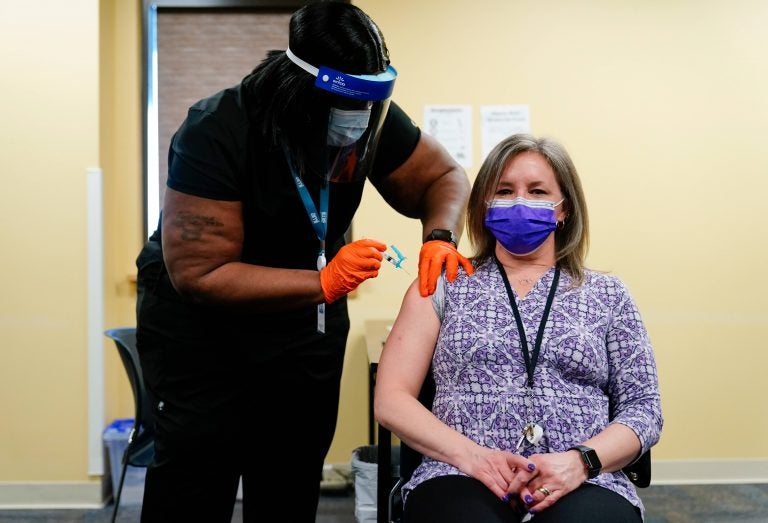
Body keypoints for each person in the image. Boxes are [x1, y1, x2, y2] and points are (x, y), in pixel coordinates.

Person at [133, 2, 474, 522]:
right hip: (202, 333)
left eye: (370, 102)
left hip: (304, 326)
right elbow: (200, 274)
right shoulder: (218, 129)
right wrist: (323, 280)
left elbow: (442, 177)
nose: (358, 120)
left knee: (289, 477)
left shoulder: (366, 119)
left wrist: (440, 237)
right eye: (348, 103)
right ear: (299, 90)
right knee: (197, 480)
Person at [375, 133, 663, 522]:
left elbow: (644, 409)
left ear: (564, 209)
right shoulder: (442, 284)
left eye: (538, 191)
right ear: (483, 206)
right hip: (459, 472)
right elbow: (391, 399)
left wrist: (580, 463)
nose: (519, 201)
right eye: (505, 190)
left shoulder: (608, 294)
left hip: (582, 479)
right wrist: (472, 456)